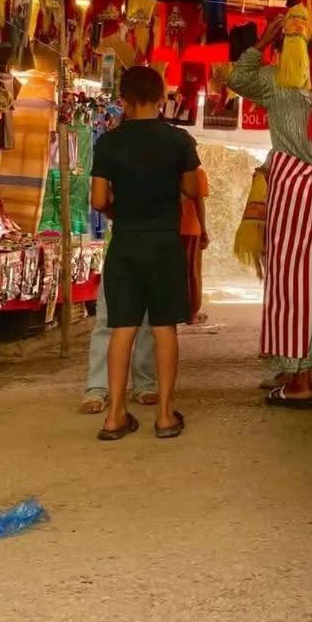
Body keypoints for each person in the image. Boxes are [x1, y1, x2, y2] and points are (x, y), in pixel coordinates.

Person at [228, 9, 312, 408]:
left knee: (291, 285)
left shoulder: (271, 81)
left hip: (291, 191)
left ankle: (298, 382)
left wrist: (263, 42)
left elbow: (237, 77)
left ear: (281, 47)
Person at [90, 65, 201, 441]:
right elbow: (192, 189)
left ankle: (114, 417)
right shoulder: (178, 140)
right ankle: (165, 416)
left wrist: (118, 209)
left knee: (122, 328)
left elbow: (98, 200)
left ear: (123, 100)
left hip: (125, 243)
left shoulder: (109, 142)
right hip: (164, 243)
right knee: (164, 328)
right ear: (161, 97)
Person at [180, 166, 210, 324]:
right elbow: (199, 201)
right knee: (191, 270)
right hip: (190, 227)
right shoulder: (197, 173)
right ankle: (191, 313)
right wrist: (203, 229)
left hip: (168, 227)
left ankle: (174, 312)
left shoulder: (167, 168)